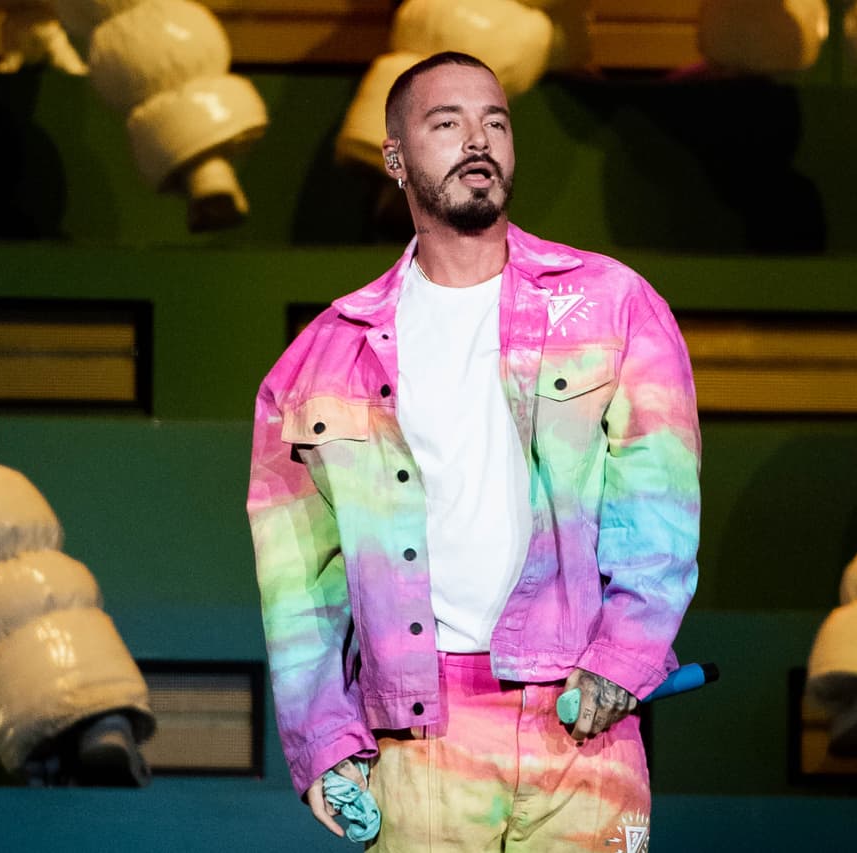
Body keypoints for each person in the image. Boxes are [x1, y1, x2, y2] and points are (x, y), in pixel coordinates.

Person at [247, 51, 700, 851]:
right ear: (395, 159)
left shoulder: (610, 303)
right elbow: (299, 580)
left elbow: (659, 502)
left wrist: (624, 656)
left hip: (581, 720)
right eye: (447, 123)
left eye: (495, 121)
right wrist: (324, 743)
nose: (478, 140)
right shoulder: (325, 355)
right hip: (421, 735)